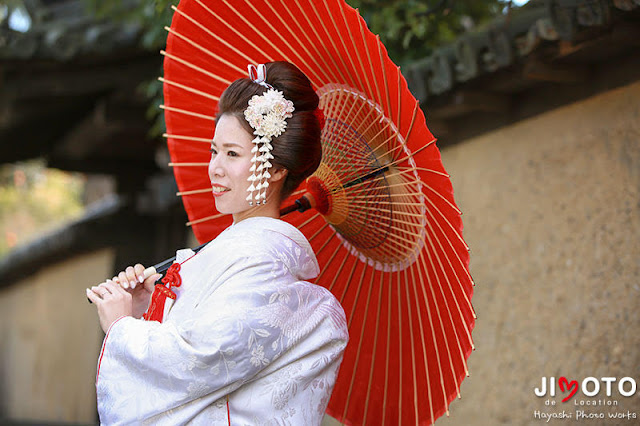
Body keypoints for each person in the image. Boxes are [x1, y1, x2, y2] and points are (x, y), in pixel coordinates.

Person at [86, 61, 349, 425]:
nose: (215, 168)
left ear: (275, 170)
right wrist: (145, 311)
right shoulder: (229, 255)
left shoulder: (262, 264)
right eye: (214, 151)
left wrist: (122, 330)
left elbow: (203, 358)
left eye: (232, 154)